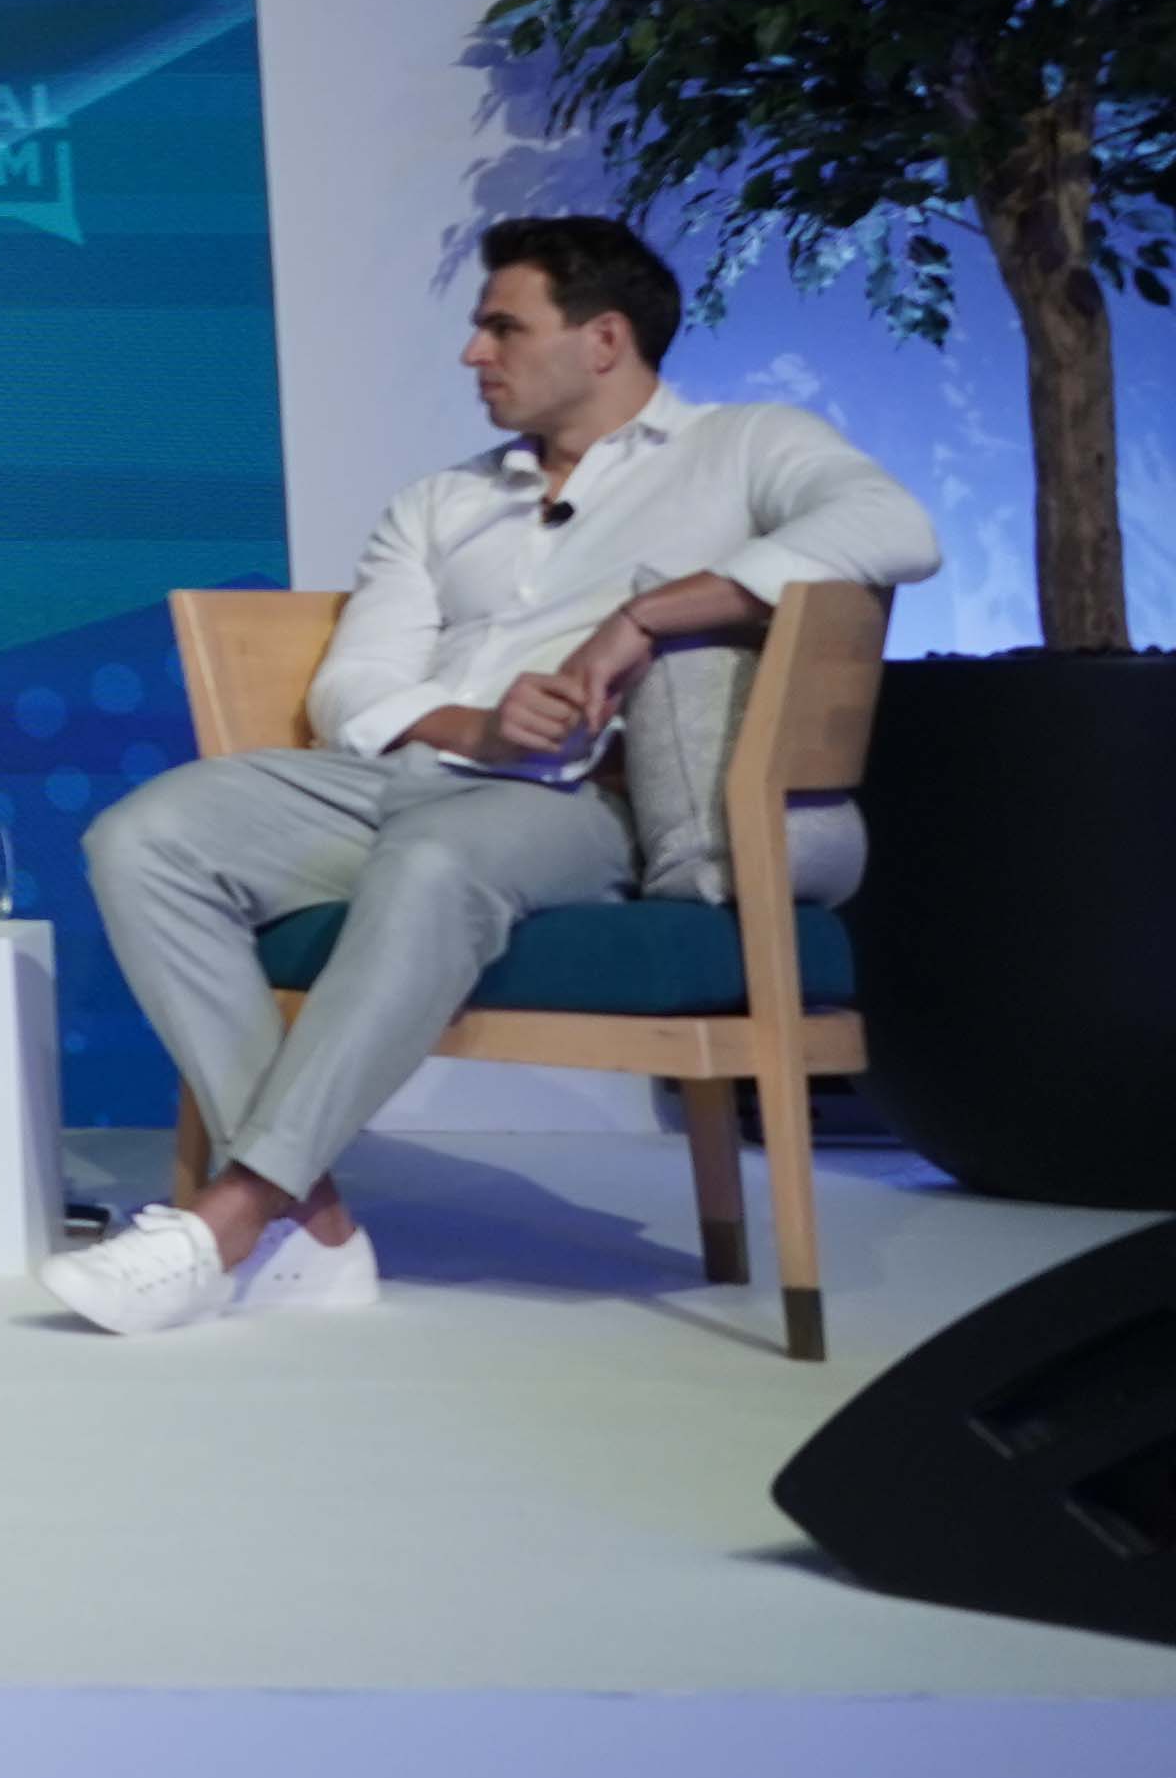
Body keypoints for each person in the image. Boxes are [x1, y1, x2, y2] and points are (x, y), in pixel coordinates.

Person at [54, 215, 935, 1338]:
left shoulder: (743, 444)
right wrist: (477, 720)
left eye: (503, 327)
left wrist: (646, 616)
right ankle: (309, 1219)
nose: (475, 353)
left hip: (575, 802)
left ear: (603, 339)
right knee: (142, 838)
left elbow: (893, 528)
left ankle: (233, 1214)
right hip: (410, 773)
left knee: (435, 859)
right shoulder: (442, 501)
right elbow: (354, 688)